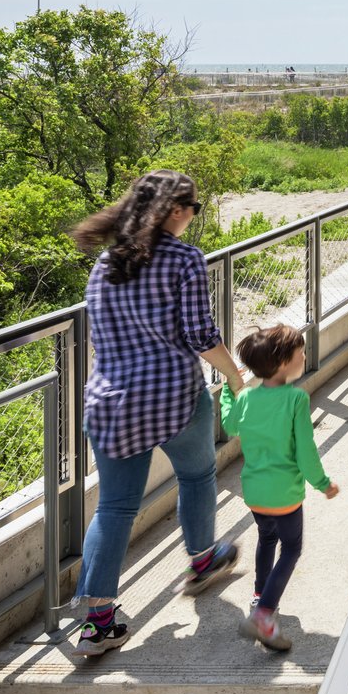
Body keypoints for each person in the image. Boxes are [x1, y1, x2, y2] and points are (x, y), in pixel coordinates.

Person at [69, 170, 244, 658]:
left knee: (115, 507)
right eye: (193, 207)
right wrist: (234, 375)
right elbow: (200, 335)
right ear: (174, 210)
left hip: (109, 401)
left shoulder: (106, 263)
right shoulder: (184, 259)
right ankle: (204, 560)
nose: (193, 216)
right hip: (172, 396)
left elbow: (100, 335)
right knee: (198, 474)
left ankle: (98, 623)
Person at [222, 324, 340, 651]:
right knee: (291, 548)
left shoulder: (245, 399)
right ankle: (263, 614)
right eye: (300, 352)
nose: (304, 355)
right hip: (285, 494)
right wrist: (323, 483)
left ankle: (261, 593)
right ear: (283, 362)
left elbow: (230, 425)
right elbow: (306, 451)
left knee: (266, 537)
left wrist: (230, 394)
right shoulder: (296, 399)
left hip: (255, 493)